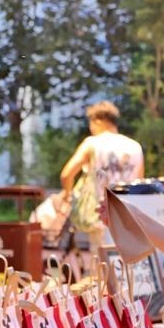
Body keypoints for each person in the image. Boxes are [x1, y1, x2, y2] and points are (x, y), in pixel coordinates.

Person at [59, 100, 144, 249]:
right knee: (127, 263)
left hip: (101, 216)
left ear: (97, 121)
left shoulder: (92, 143)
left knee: (102, 264)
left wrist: (67, 195)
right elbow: (140, 181)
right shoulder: (134, 146)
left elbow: (67, 174)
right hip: (129, 216)